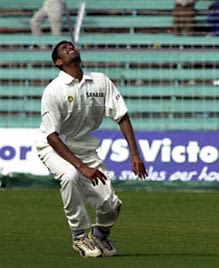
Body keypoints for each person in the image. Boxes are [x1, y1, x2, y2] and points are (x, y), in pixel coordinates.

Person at [35, 40, 148, 257]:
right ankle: (79, 237)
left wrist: (135, 154)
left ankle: (99, 235)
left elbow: (122, 116)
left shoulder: (100, 81)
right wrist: (81, 168)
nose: (70, 47)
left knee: (111, 204)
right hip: (54, 147)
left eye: (71, 45)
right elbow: (51, 136)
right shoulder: (53, 90)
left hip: (85, 149)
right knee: (70, 176)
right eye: (64, 49)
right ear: (59, 62)